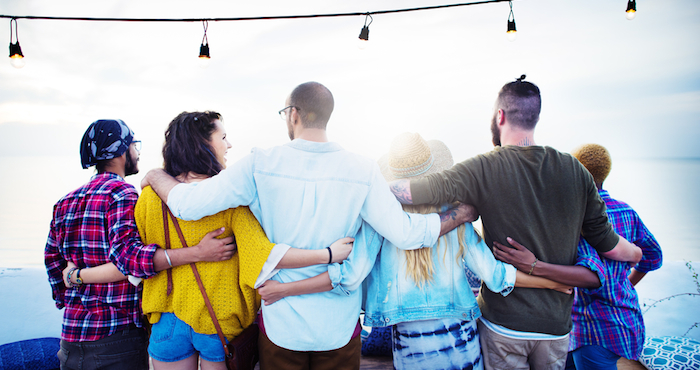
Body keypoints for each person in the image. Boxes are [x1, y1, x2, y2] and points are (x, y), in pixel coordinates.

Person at [141, 82, 475, 370]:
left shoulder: (260, 163)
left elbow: (187, 204)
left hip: (280, 323)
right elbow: (406, 233)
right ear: (327, 115)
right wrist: (458, 215)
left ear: (293, 114)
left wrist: (155, 174)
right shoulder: (362, 169)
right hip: (339, 328)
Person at [65, 111, 355, 370]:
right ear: (203, 144)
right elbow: (265, 258)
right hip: (216, 322)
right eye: (224, 137)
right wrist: (327, 254)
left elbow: (131, 268)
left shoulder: (150, 198)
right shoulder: (230, 200)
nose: (229, 145)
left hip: (166, 322)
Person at [388, 76, 643, 369]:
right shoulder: (576, 170)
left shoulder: (482, 168)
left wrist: (370, 188)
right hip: (555, 328)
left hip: (503, 325)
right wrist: (636, 253)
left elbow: (411, 191)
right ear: (535, 117)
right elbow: (609, 244)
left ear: (500, 116)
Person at [363, 132, 573, 370]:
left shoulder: (381, 225)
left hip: (409, 346)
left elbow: (357, 274)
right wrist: (551, 283)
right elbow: (495, 276)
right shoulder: (457, 220)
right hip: (461, 340)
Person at [45, 119, 236, 370]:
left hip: (71, 336)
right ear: (122, 152)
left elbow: (54, 264)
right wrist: (198, 252)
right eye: (134, 146)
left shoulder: (65, 201)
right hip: (115, 333)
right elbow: (131, 261)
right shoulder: (124, 195)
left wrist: (75, 279)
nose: (137, 152)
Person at [566, 144, 662, 369]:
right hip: (628, 319)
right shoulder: (625, 211)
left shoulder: (577, 218)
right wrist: (627, 283)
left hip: (594, 329)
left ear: (576, 173)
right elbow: (653, 255)